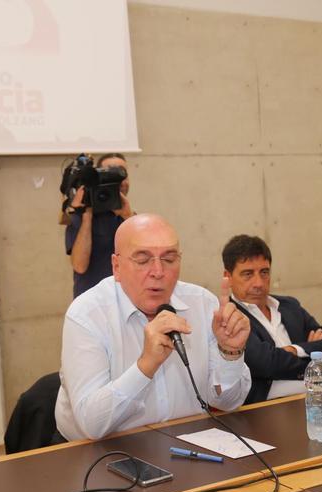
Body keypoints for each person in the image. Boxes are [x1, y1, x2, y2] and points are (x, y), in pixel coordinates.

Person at [55, 214, 252, 441]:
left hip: (188, 445)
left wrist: (230, 353)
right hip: (102, 453)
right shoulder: (87, 314)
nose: (158, 271)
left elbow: (228, 403)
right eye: (143, 259)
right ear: (116, 267)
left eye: (169, 259)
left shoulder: (203, 304)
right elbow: (91, 425)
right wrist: (145, 365)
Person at [223, 235, 322, 404]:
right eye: (248, 274)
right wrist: (313, 353)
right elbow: (265, 363)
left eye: (264, 272)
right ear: (228, 276)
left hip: (318, 400)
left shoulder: (289, 306)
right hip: (266, 409)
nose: (259, 283)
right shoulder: (229, 316)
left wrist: (294, 350)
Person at [63, 153, 135, 297]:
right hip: (92, 304)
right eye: (108, 173)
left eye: (121, 173)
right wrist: (87, 215)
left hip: (128, 301)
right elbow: (80, 266)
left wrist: (127, 216)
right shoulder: (78, 218)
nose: (117, 180)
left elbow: (148, 255)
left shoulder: (133, 221)